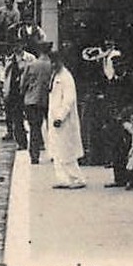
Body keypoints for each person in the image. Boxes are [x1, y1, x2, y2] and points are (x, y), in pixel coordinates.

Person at [44, 50, 85, 189]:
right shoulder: (55, 76)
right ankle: (63, 179)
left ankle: (77, 178)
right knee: (56, 150)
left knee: (66, 150)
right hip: (53, 118)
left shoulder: (66, 77)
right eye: (52, 62)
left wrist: (60, 117)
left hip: (63, 121)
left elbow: (69, 99)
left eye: (55, 61)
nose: (53, 64)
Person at [20, 42, 53, 164]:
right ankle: (54, 153)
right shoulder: (51, 66)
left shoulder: (31, 65)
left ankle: (34, 156)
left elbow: (23, 84)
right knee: (52, 128)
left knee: (34, 128)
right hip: (47, 100)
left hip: (31, 100)